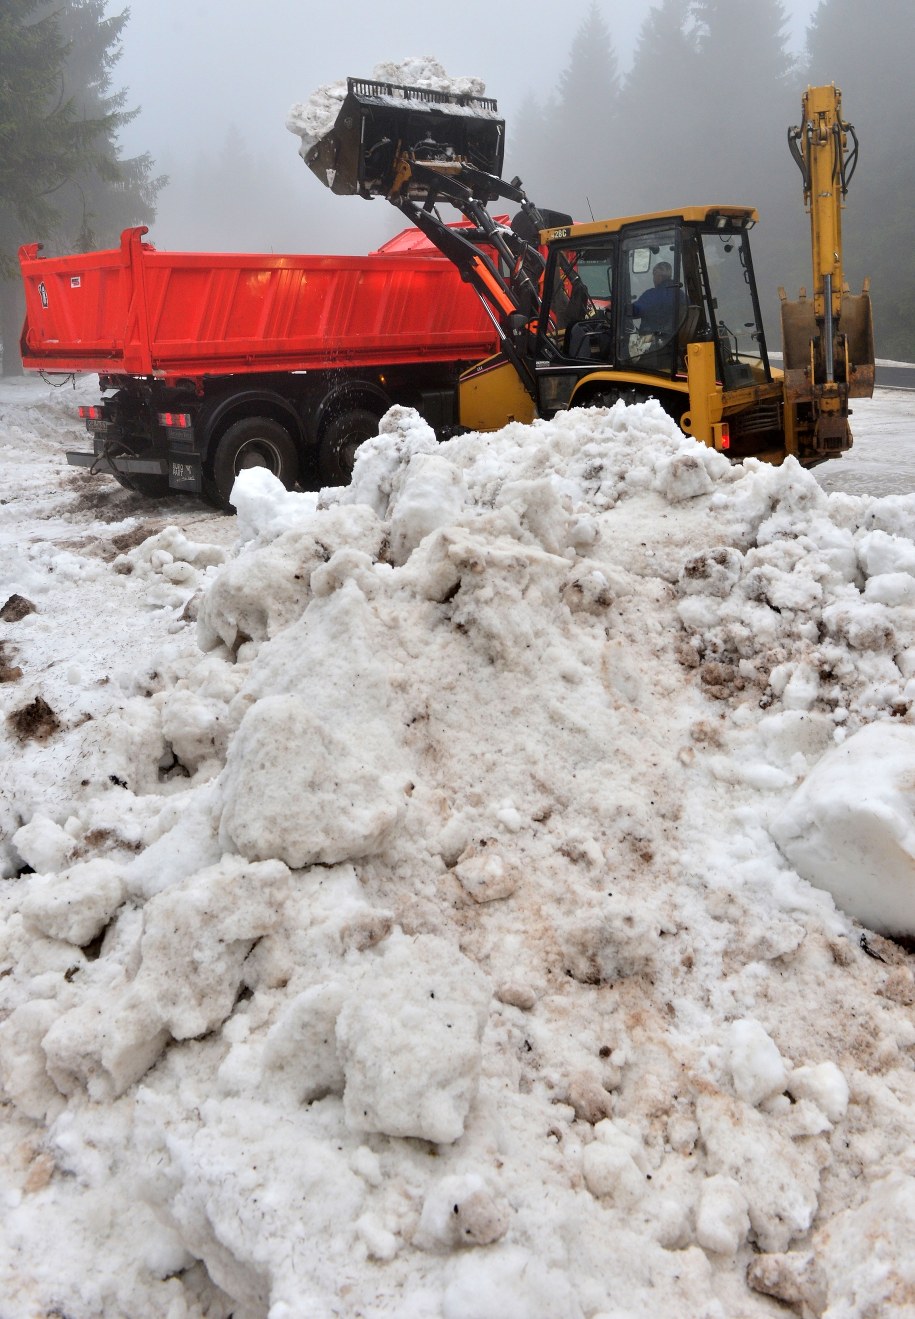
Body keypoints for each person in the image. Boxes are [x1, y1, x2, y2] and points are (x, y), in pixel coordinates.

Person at [631, 261, 681, 339]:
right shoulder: (681, 294)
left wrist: (619, 308)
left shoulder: (652, 295)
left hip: (656, 341)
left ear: (659, 277)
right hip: (672, 339)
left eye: (654, 276)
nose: (653, 279)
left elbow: (635, 311)